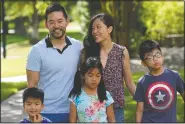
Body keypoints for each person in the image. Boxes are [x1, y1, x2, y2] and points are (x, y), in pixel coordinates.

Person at [26, 3, 82, 122]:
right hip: (46, 113)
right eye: (51, 22)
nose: (56, 25)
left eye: (60, 21)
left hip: (72, 112)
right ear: (46, 24)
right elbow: (32, 87)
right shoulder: (36, 51)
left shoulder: (78, 47)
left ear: (67, 21)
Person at [80, 13, 136, 122]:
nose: (94, 31)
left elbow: (129, 83)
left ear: (109, 29)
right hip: (92, 109)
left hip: (116, 110)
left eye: (98, 27)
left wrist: (143, 101)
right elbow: (82, 82)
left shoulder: (121, 52)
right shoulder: (87, 52)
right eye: (93, 29)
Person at [134, 40, 185, 123]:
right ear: (143, 63)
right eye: (150, 57)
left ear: (162, 56)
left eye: (158, 55)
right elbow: (139, 110)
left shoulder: (174, 76)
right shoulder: (142, 82)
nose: (155, 59)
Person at [69, 57, 115, 122]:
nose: (94, 79)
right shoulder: (75, 96)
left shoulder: (106, 95)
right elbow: (72, 121)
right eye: (90, 75)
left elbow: (112, 120)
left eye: (98, 76)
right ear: (83, 75)